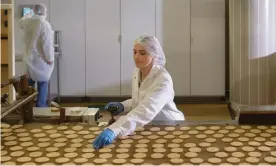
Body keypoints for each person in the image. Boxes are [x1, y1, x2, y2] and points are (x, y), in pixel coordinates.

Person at [93, 35, 185, 149]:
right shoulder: (137, 71)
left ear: (153, 55)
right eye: (134, 52)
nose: (136, 57)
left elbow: (146, 110)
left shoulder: (163, 80)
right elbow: (141, 99)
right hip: (149, 125)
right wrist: (123, 106)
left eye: (142, 53)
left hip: (169, 126)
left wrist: (114, 129)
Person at [19, 4, 54, 107]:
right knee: (43, 84)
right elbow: (46, 44)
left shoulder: (27, 22)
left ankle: (27, 108)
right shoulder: (44, 24)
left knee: (29, 85)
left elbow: (20, 22)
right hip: (41, 60)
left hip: (29, 59)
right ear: (44, 12)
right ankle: (41, 107)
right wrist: (50, 59)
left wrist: (29, 14)